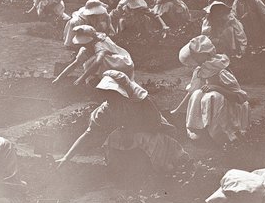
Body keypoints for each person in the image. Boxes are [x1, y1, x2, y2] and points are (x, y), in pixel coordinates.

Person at [55, 70, 187, 173]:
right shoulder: (106, 108)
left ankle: (155, 170)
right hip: (130, 136)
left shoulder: (142, 102)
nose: (109, 98)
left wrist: (131, 131)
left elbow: (154, 124)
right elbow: (89, 133)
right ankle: (124, 170)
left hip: (155, 134)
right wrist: (67, 157)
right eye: (106, 94)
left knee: (142, 139)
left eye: (113, 94)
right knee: (114, 137)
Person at [172, 35, 249, 143]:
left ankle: (218, 132)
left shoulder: (220, 71)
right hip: (213, 105)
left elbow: (240, 97)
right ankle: (197, 128)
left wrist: (216, 87)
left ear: (206, 54)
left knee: (212, 96)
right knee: (198, 93)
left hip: (229, 105)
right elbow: (192, 92)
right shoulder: (201, 71)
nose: (193, 59)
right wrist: (178, 109)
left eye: (195, 56)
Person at [53, 24, 134, 86]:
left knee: (97, 60)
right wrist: (59, 78)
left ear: (92, 40)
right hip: (111, 63)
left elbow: (98, 61)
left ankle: (102, 80)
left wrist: (82, 78)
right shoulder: (86, 47)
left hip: (121, 62)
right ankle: (97, 80)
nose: (84, 45)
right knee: (87, 61)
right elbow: (75, 64)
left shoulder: (100, 45)